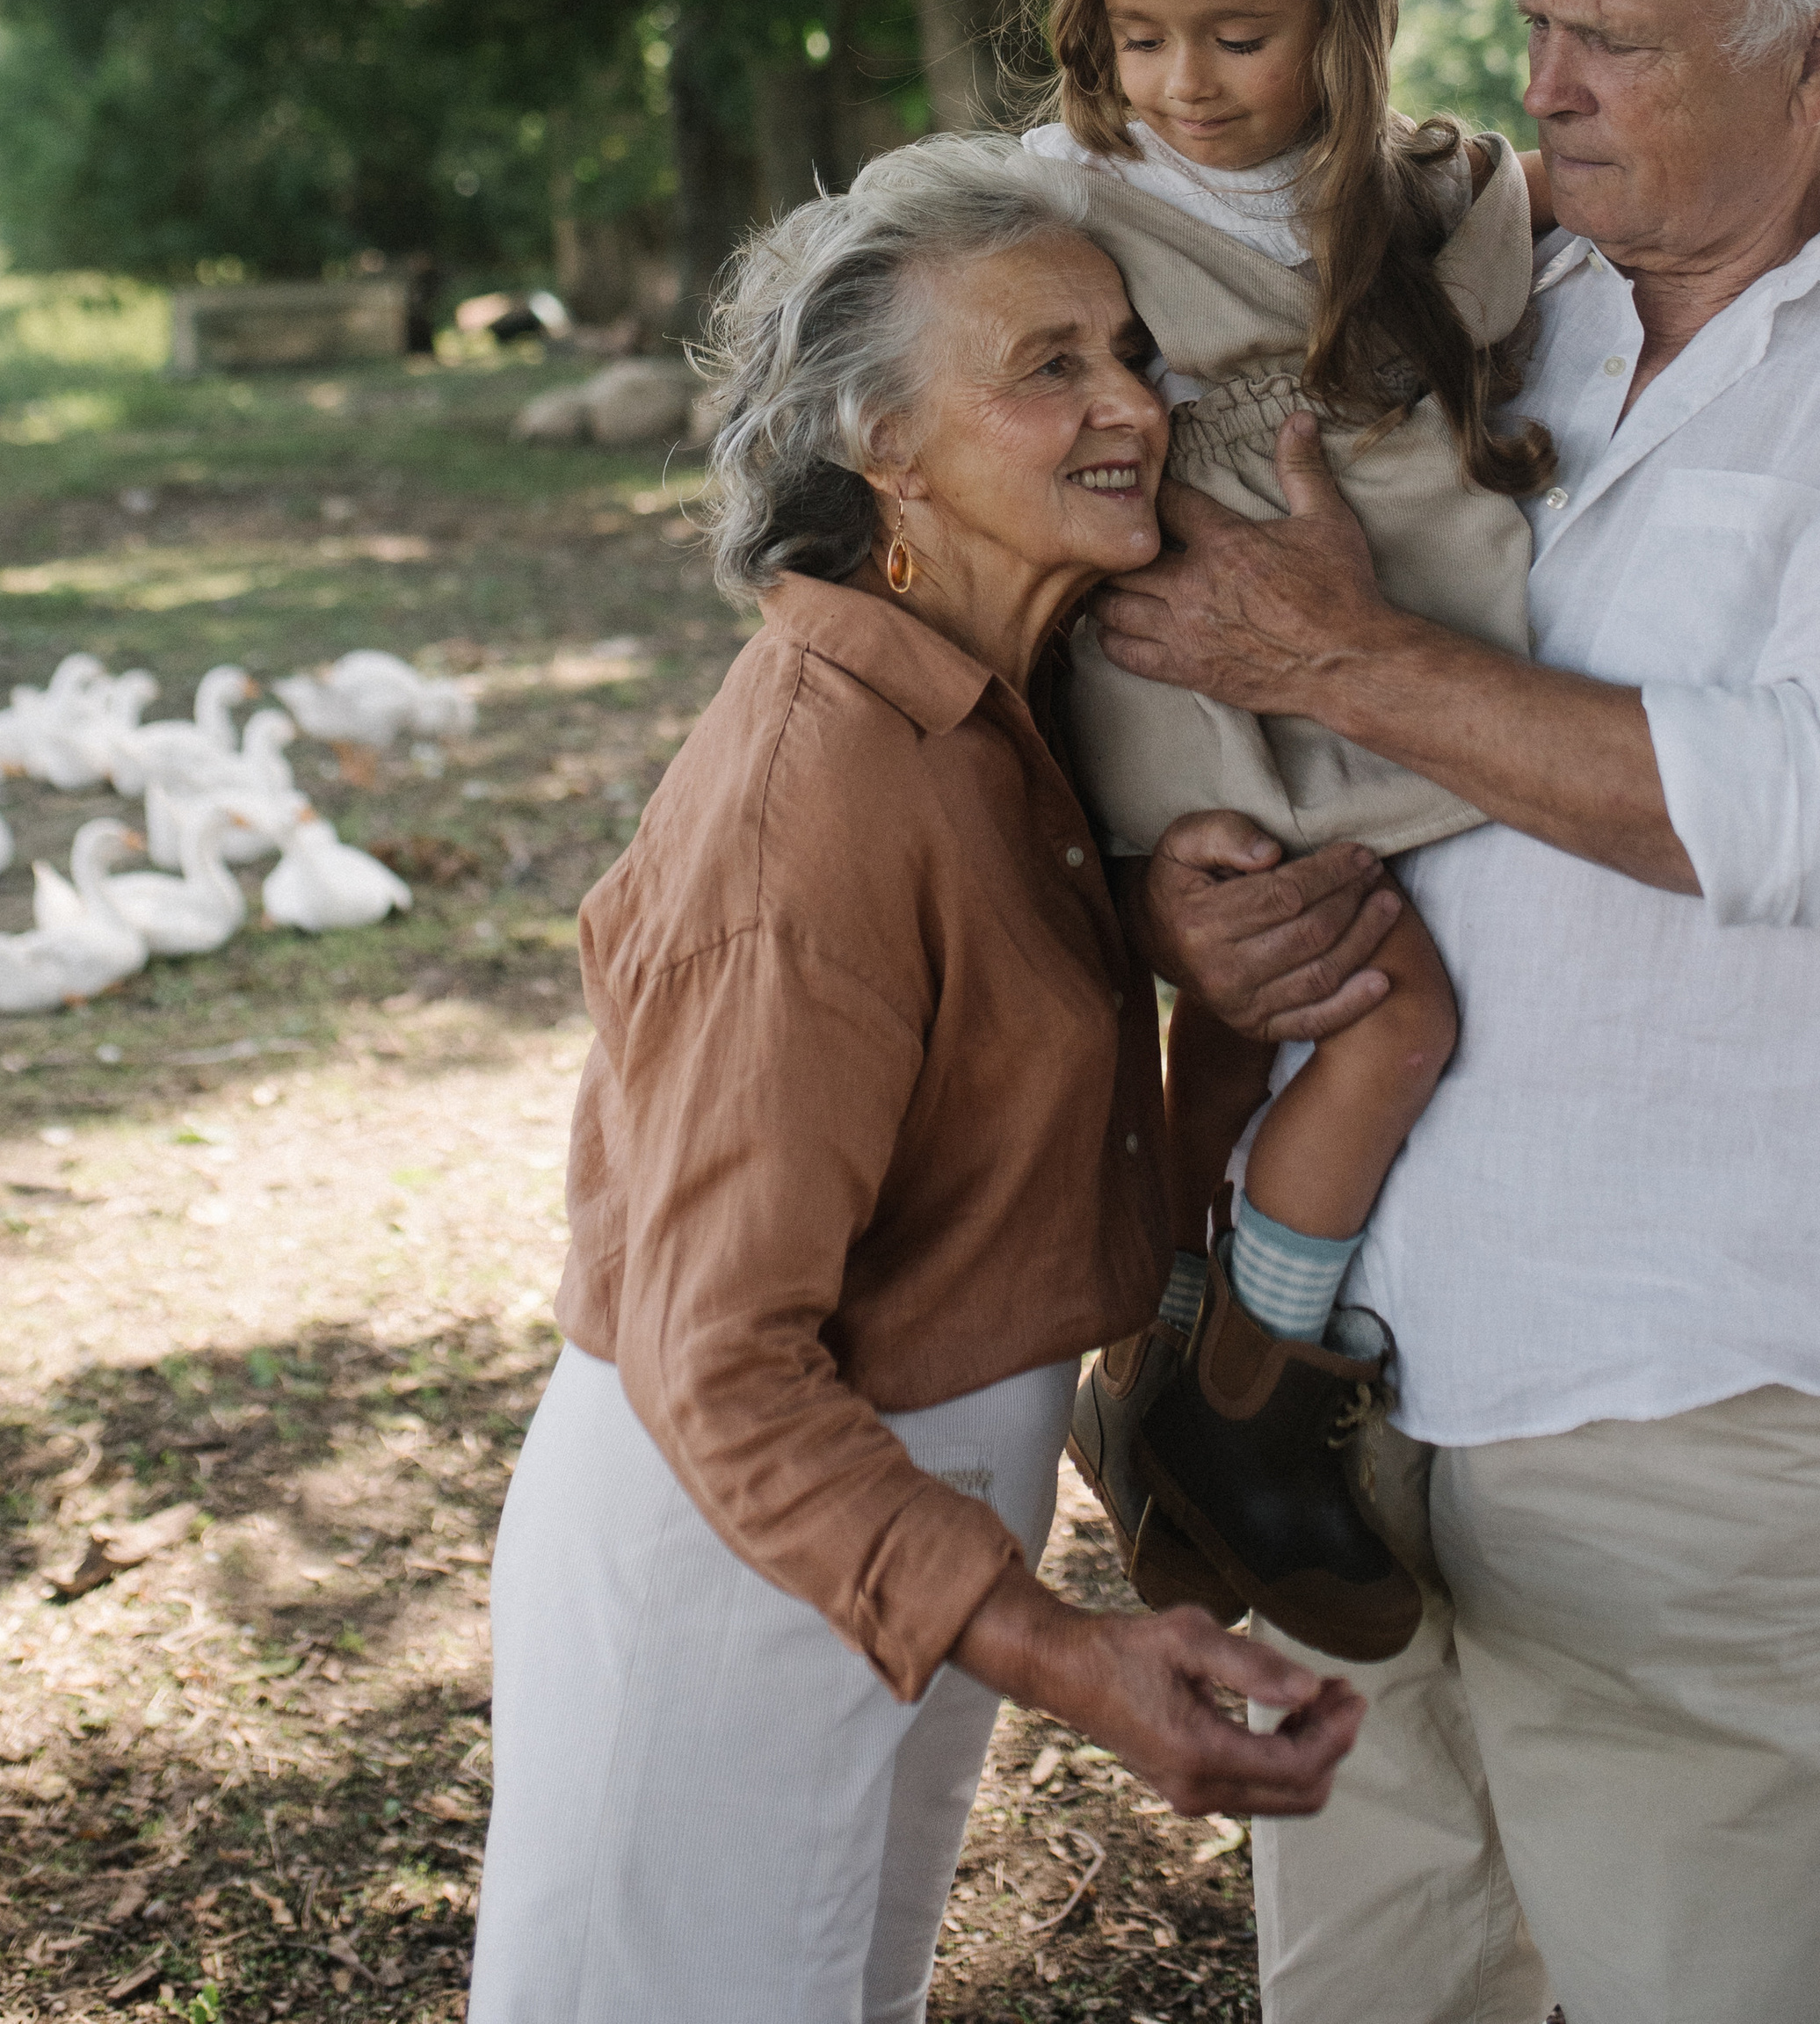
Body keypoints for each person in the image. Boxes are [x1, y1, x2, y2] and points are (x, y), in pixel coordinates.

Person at [1089, 0, 1820, 2024]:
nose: (1542, 84)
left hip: (1680, 1394)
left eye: (1620, 43)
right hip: (1321, 1385)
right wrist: (1198, 907)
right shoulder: (1483, 288)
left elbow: (1816, 802)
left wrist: (1337, 658)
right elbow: (1236, 687)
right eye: (1538, 19)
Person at [466, 139, 1370, 2024]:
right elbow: (720, 1361)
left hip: (871, 1535)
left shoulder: (975, 716)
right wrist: (1061, 1651)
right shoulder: (815, 799)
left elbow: (948, 1027)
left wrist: (1140, 927)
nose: (1132, 402)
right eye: (1046, 367)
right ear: (884, 445)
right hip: (746, 1552)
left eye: (1126, 349)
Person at [1010, 0, 1551, 1656]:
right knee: (1362, 1017)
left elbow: (1567, 252)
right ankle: (1241, 1383)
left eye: (1235, 33)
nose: (1182, 82)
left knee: (1270, 1038)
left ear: (1340, 14)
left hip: (1347, 695)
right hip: (1187, 708)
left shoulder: (1410, 212)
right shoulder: (1064, 215)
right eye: (1136, 37)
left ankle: (1168, 1369)